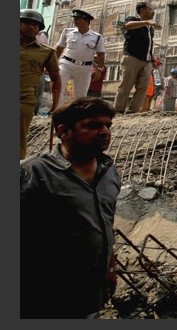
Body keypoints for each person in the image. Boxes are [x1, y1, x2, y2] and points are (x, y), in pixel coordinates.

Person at [20, 96, 120, 318]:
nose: (104, 132)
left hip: (89, 296)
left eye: (108, 125)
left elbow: (105, 223)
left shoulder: (109, 172)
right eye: (93, 125)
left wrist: (110, 268)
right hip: (42, 299)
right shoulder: (34, 174)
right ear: (64, 131)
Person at [20, 9, 62, 159]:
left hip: (24, 99)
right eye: (26, 22)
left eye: (35, 24)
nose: (31, 26)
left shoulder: (47, 52)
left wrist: (55, 105)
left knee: (19, 138)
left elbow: (56, 78)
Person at [114, 1, 161, 113]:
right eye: (150, 9)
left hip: (146, 61)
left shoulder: (150, 29)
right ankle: (118, 110)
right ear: (142, 10)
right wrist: (147, 22)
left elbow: (148, 44)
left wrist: (152, 57)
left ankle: (133, 111)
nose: (153, 12)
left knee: (143, 87)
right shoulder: (133, 20)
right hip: (131, 58)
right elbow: (127, 26)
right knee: (126, 85)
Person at [56, 9, 106, 102]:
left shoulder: (97, 37)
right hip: (66, 64)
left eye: (78, 19)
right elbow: (59, 49)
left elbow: (101, 54)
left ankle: (77, 114)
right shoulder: (67, 32)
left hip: (85, 68)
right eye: (74, 19)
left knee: (81, 95)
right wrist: (53, 64)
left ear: (86, 21)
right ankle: (57, 110)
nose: (75, 21)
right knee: (58, 87)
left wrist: (99, 70)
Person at [33, 29, 51, 116]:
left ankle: (35, 112)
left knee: (38, 92)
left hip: (39, 69)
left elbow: (46, 52)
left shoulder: (42, 36)